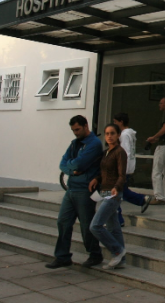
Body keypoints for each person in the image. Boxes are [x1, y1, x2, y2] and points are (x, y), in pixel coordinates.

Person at [46, 115, 104, 269]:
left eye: (77, 129)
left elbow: (80, 163)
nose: (75, 133)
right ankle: (62, 256)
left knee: (86, 225)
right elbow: (63, 164)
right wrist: (73, 171)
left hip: (85, 190)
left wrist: (72, 167)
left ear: (86, 126)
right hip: (72, 189)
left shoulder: (94, 144)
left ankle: (95, 254)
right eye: (73, 130)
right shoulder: (74, 144)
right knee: (63, 222)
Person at [89, 123, 128, 269]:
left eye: (112, 133)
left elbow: (121, 175)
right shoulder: (106, 152)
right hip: (104, 192)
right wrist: (97, 179)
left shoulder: (120, 152)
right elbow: (105, 172)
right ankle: (121, 260)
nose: (109, 136)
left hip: (113, 193)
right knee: (113, 227)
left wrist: (117, 188)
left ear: (118, 135)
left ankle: (117, 251)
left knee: (95, 226)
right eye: (107, 134)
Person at [114, 112, 153, 225]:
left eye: (115, 122)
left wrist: (120, 167)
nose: (114, 124)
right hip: (128, 166)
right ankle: (142, 200)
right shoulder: (129, 134)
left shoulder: (124, 135)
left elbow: (125, 152)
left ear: (121, 122)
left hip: (123, 167)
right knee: (123, 191)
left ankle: (118, 219)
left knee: (116, 193)